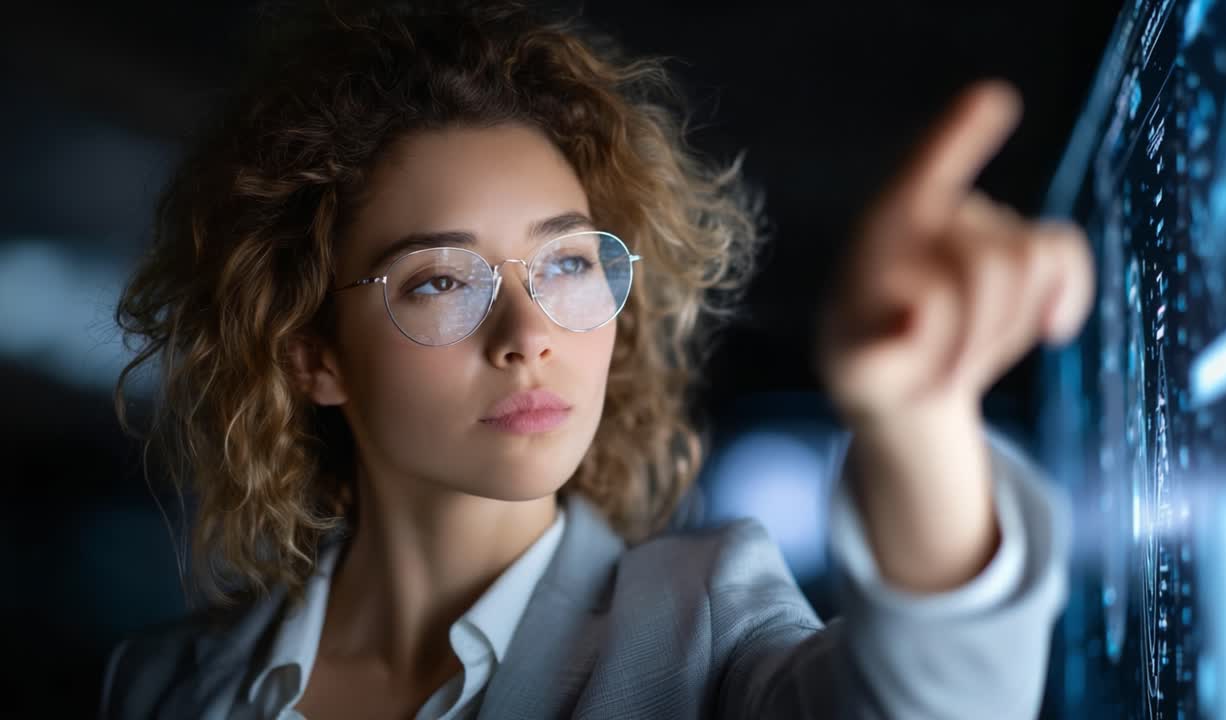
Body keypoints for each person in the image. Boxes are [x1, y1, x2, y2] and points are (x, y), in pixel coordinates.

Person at [98, 1, 1095, 718]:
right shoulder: (158, 686)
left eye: (568, 263)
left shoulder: (704, 630)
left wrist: (915, 425)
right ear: (314, 356)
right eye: (442, 280)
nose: (528, 332)